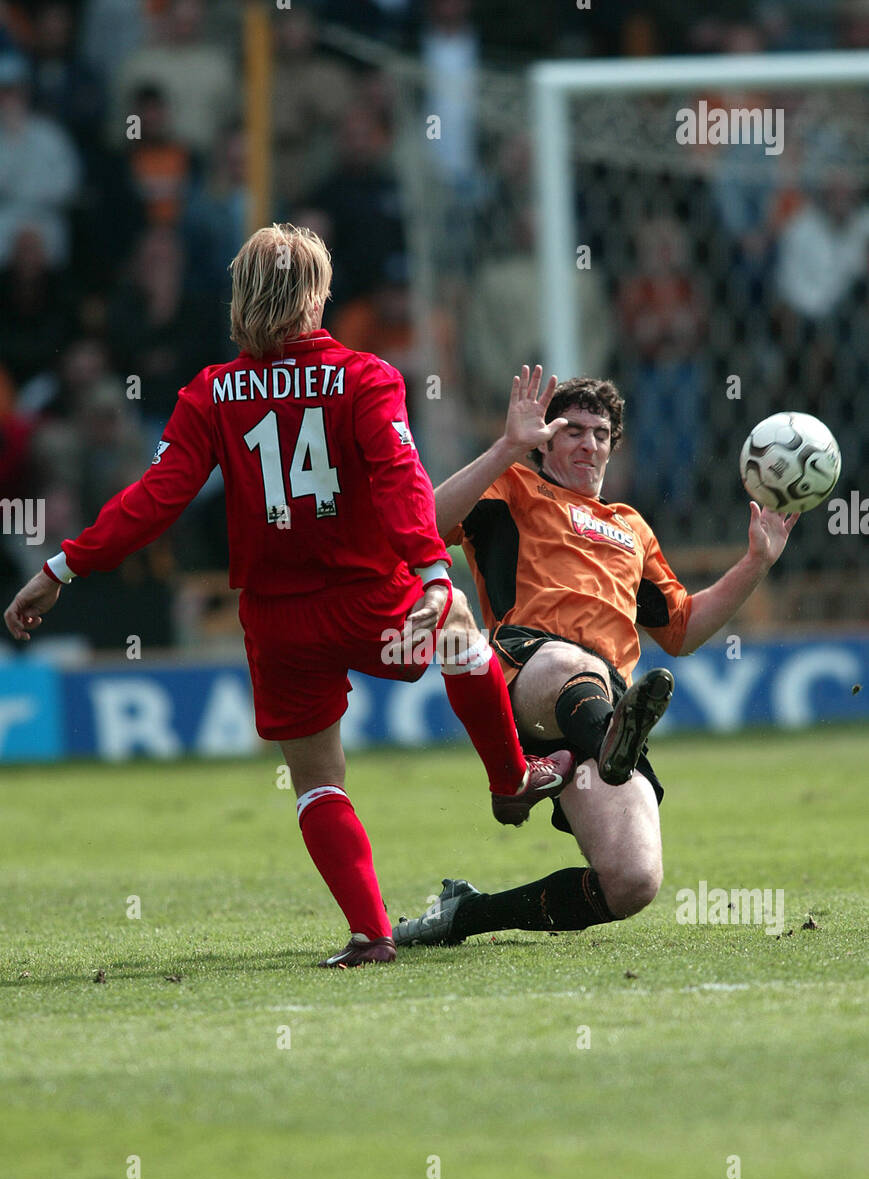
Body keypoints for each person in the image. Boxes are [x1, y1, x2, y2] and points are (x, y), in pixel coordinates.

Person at [3, 227, 572, 968]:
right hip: (372, 600)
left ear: (240, 296)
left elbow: (155, 500)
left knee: (315, 780)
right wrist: (433, 573)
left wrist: (60, 567)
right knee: (461, 625)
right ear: (316, 295)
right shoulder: (366, 377)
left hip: (279, 621)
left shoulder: (210, 392)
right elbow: (402, 483)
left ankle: (370, 935)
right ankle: (509, 777)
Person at [394, 365, 797, 949]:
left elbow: (680, 630)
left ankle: (467, 914)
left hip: (600, 698)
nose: (588, 443)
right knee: (567, 665)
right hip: (526, 670)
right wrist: (508, 445)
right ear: (547, 440)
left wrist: (757, 561)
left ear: (614, 445)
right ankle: (610, 738)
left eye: (600, 433)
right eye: (572, 430)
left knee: (633, 881)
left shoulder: (631, 527)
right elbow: (423, 523)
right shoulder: (513, 486)